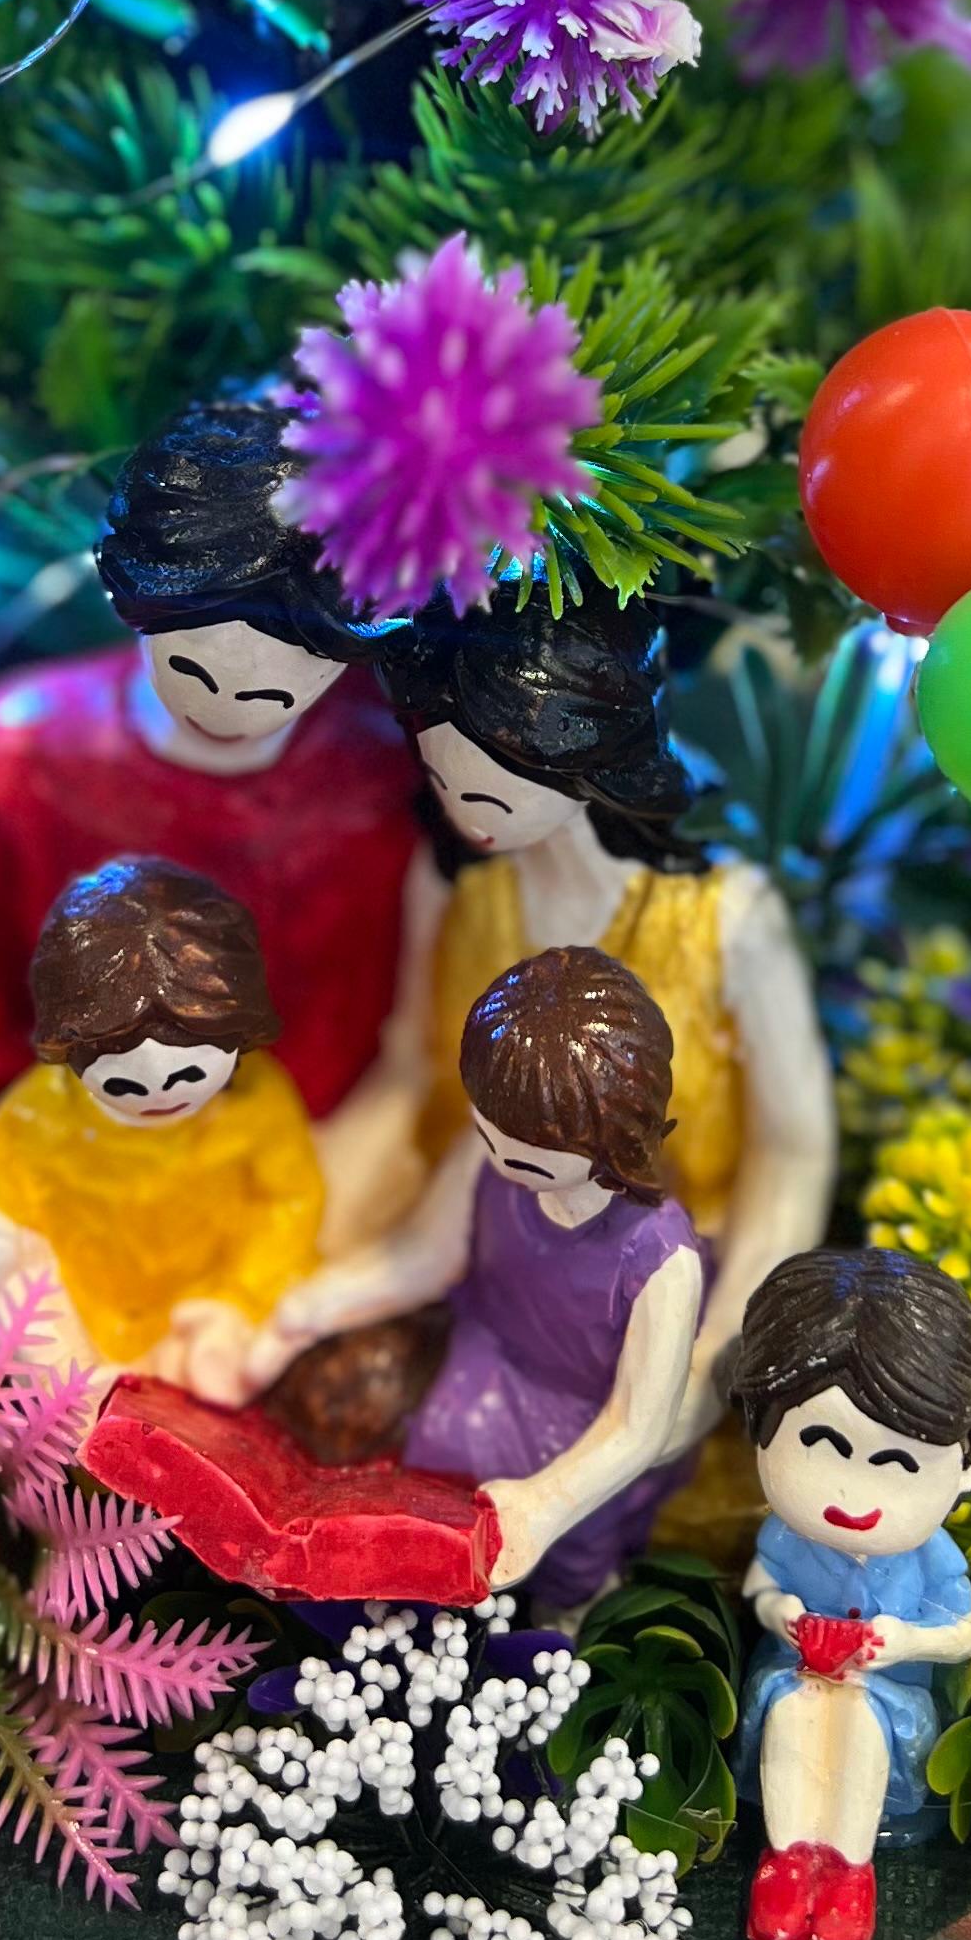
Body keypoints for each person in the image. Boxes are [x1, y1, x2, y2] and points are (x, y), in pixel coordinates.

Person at [0, 399, 422, 1282]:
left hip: (303, 1193)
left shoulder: (379, 782)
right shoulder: (22, 753)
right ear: (135, 609)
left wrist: (359, 1161)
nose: (226, 714)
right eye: (190, 669)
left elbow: (413, 1011)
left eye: (275, 693)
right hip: (61, 1175)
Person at [339, 590, 835, 1444]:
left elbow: (792, 1153)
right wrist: (324, 1230)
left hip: (666, 1287)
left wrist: (717, 1353)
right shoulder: (457, 883)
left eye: (489, 795)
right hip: (468, 1255)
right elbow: (408, 1072)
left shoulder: (728, 922)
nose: (462, 814)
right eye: (442, 780)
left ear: (590, 759)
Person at [242, 946, 703, 1607]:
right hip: (474, 1361)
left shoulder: (660, 1254)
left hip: (581, 1430)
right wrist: (318, 1303)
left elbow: (638, 1425)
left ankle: (566, 1609)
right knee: (379, 1444)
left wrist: (549, 1500)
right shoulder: (490, 1156)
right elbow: (426, 1257)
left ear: (617, 1140)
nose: (504, 1166)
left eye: (533, 1163)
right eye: (489, 1140)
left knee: (563, 1564)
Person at [0, 857, 322, 1383]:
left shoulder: (257, 1106)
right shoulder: (35, 1123)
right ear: (70, 1051)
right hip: (87, 1328)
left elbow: (291, 1202)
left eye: (189, 1075)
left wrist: (240, 1298)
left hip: (209, 1315)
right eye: (126, 1085)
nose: (159, 1098)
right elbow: (12, 1247)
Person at [727, 1247, 971, 1940]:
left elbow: (964, 1633)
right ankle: (789, 1860)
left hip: (887, 1699)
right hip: (794, 1677)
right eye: (820, 1444)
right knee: (797, 1714)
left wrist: (904, 1641)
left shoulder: (930, 1555)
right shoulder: (788, 1536)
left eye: (898, 1464)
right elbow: (761, 1585)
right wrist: (781, 1613)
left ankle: (847, 1869)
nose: (853, 1494)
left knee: (856, 1725)